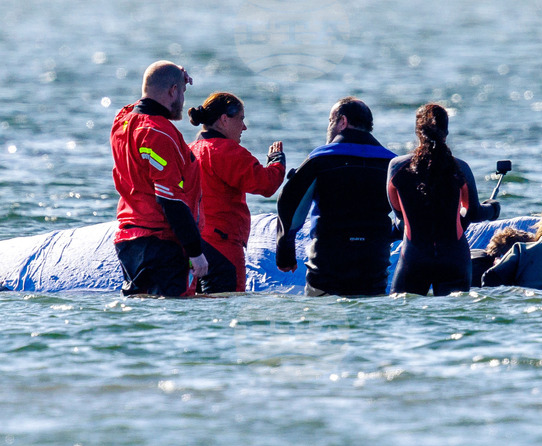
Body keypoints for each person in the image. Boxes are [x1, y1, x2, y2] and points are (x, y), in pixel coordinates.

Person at [276, 97, 397, 296]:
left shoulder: (320, 159)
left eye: (330, 122)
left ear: (342, 122)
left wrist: (285, 250)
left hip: (328, 267)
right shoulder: (392, 163)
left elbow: (289, 204)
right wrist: (388, 235)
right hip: (373, 264)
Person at [110, 60, 207, 297]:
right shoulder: (160, 133)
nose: (183, 101)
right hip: (161, 244)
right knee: (173, 318)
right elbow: (169, 200)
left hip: (129, 241)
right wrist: (196, 252)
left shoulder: (121, 121)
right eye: (182, 92)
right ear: (172, 91)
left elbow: (144, 101)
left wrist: (173, 77)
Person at [387, 103, 501, 295]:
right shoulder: (460, 168)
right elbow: (473, 212)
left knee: (405, 315)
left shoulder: (396, 167)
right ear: (446, 132)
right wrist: (493, 209)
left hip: (414, 258)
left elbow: (400, 215)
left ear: (417, 131)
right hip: (454, 258)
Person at [188, 93, 285, 293]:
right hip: (222, 246)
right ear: (224, 119)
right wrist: (277, 162)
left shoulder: (189, 150)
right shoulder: (226, 151)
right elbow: (266, 184)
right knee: (228, 307)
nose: (244, 127)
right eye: (241, 119)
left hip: (193, 247)